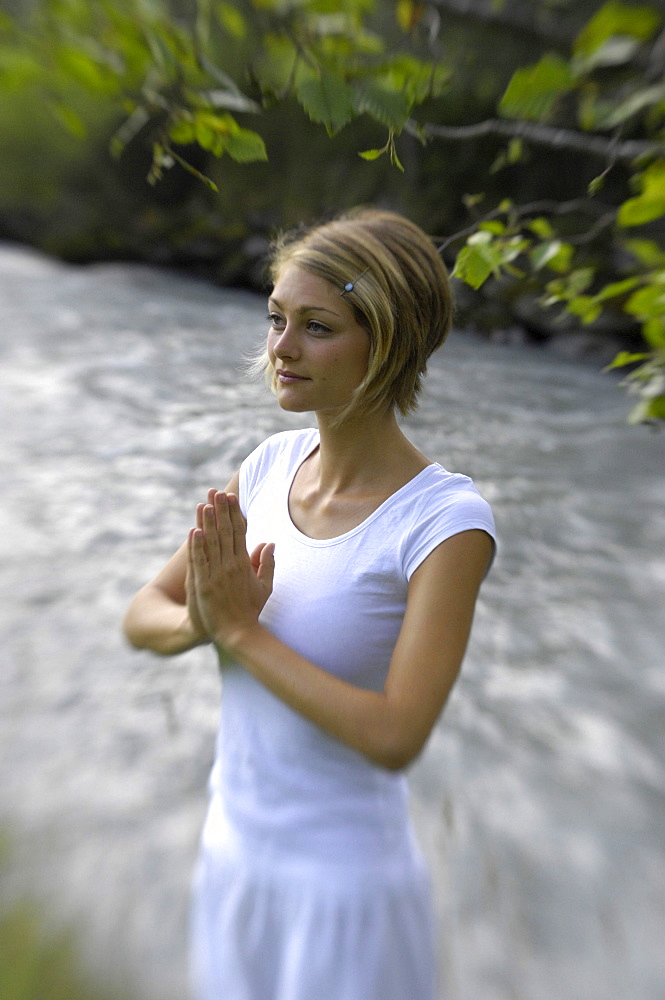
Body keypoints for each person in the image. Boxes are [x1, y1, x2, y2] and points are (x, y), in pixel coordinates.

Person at [123, 207, 496, 1000]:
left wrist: (240, 634)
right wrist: (200, 621)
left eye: (316, 327)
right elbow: (142, 615)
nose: (280, 348)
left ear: (387, 342)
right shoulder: (267, 467)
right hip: (232, 863)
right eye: (276, 318)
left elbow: (396, 734)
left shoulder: (443, 522)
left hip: (343, 898)